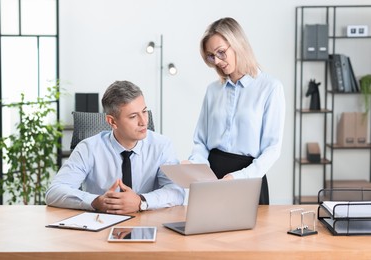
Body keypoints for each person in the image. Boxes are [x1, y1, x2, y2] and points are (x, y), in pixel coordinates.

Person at [46, 80, 185, 214]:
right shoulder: (88, 148)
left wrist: (141, 201)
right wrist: (95, 201)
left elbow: (176, 191)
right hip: (101, 226)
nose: (143, 122)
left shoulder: (162, 146)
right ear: (112, 121)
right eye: (133, 116)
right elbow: (54, 191)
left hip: (148, 223)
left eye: (144, 111)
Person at [188, 17, 285, 205]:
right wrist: (197, 167)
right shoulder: (213, 90)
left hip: (248, 178)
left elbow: (272, 149)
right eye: (211, 56)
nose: (217, 61)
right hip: (212, 178)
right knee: (207, 231)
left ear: (238, 44)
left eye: (221, 52)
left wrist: (237, 178)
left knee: (250, 235)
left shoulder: (270, 88)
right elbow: (200, 140)